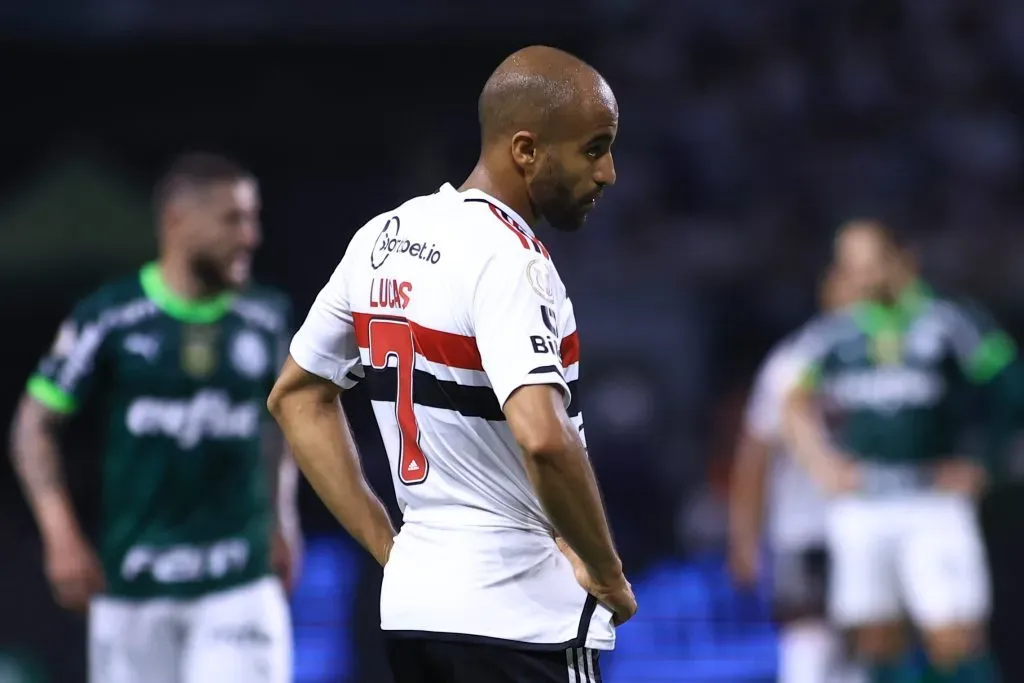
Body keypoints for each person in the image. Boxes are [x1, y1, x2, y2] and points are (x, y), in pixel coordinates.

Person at [268, 45, 634, 683]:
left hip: (415, 610)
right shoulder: (511, 261)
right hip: (521, 615)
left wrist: (391, 548)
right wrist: (608, 574)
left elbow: (295, 398)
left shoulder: (381, 239)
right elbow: (544, 439)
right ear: (526, 150)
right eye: (594, 149)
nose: (608, 173)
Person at [9, 153, 299, 683]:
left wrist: (283, 517)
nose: (250, 237)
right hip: (133, 586)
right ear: (176, 221)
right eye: (233, 219)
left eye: (252, 219)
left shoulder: (267, 319)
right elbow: (34, 424)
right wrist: (60, 534)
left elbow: (281, 425)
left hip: (239, 582)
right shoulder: (110, 317)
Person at [782, 220, 1015, 683]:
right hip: (864, 503)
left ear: (901, 261)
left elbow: (1009, 386)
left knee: (955, 638)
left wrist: (984, 461)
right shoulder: (835, 333)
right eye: (851, 266)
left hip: (933, 499)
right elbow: (791, 401)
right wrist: (822, 464)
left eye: (871, 263)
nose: (862, 276)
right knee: (876, 639)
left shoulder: (948, 322)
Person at [729, 265, 865, 683]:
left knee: (867, 644)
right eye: (849, 287)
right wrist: (745, 537)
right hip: (805, 527)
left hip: (873, 521)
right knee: (807, 642)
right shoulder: (794, 360)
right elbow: (755, 454)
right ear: (828, 294)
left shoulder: (894, 357)